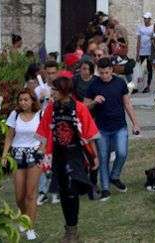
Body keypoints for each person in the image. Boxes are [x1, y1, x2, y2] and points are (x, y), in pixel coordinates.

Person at [36, 77, 100, 242]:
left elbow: (89, 133)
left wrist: (95, 157)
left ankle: (72, 229)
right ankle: (70, 227)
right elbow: (44, 132)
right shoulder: (51, 109)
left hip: (76, 155)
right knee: (64, 192)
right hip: (58, 155)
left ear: (64, 90)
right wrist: (40, 152)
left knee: (71, 190)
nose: (52, 93)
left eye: (55, 90)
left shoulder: (79, 108)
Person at [84, 58, 141, 201]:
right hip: (102, 129)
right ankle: (105, 189)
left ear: (112, 70)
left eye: (107, 72)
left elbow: (127, 104)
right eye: (101, 73)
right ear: (98, 71)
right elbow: (84, 107)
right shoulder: (93, 85)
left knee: (122, 153)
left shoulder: (120, 83)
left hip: (120, 126)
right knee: (103, 158)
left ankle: (114, 176)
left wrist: (135, 123)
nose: (104, 76)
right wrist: (93, 101)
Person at [1, 89, 43, 240]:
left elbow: (45, 135)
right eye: (20, 100)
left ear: (32, 100)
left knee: (30, 195)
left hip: (34, 154)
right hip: (17, 155)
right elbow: (9, 136)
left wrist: (41, 150)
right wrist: (5, 155)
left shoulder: (40, 114)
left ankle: (30, 227)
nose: (23, 102)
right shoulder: (15, 115)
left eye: (26, 99)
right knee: (19, 196)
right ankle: (24, 216)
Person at [136, 12, 154, 93]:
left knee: (149, 69)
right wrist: (137, 53)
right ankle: (137, 86)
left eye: (147, 18)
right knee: (139, 69)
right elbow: (138, 40)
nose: (145, 20)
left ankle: (148, 86)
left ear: (150, 19)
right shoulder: (140, 27)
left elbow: (154, 40)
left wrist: (153, 53)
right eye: (144, 18)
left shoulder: (153, 28)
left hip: (149, 52)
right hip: (142, 51)